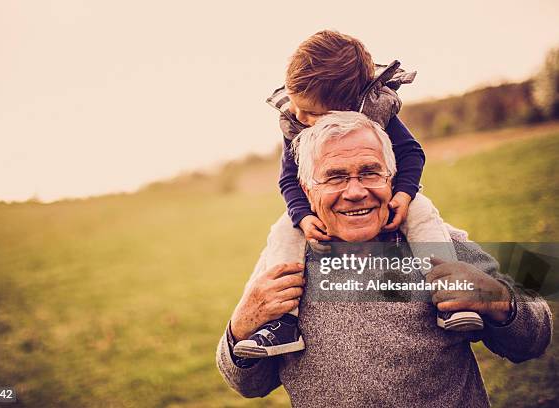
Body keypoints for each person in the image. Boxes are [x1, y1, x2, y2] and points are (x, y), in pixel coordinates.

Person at [217, 112, 552, 407]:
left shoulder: (437, 246)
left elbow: (534, 340)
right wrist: (240, 327)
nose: (355, 191)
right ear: (305, 190)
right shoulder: (283, 264)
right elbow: (249, 385)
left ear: (392, 179)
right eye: (335, 177)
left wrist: (499, 301)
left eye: (370, 172)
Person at [234, 30, 478, 359]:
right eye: (297, 106)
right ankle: (281, 325)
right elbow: (288, 179)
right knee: (283, 232)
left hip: (393, 195)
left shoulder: (379, 112)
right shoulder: (296, 121)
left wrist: (404, 195)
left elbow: (411, 154)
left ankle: (450, 295)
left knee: (423, 214)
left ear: (351, 107)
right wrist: (303, 217)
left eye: (312, 113)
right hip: (311, 208)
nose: (301, 117)